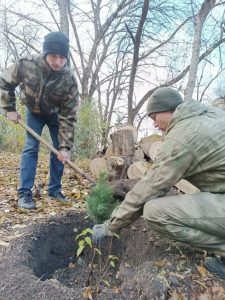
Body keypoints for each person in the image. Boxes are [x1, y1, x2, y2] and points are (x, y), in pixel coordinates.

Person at [92, 87, 225, 280]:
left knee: (154, 212)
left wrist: (111, 226)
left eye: (154, 117)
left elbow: (151, 186)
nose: (154, 125)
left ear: (168, 109)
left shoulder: (183, 137)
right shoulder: (209, 115)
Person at [0, 31, 79, 209]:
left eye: (62, 57)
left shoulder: (69, 81)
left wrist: (65, 147)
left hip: (56, 114)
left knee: (59, 152)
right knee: (30, 148)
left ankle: (55, 189)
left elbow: (69, 115)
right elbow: (4, 82)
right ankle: (24, 193)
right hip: (33, 112)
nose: (58, 62)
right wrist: (9, 109)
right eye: (53, 56)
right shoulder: (26, 64)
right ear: (45, 54)